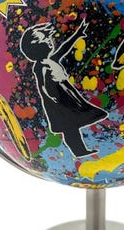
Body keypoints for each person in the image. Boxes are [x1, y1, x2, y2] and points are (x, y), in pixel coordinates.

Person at [20, 19, 108, 157]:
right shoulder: (40, 66)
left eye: (49, 38)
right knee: (69, 127)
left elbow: (64, 48)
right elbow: (42, 85)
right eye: (45, 40)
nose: (50, 41)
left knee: (73, 124)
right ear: (35, 47)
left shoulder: (51, 59)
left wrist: (77, 34)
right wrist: (52, 99)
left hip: (65, 93)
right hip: (57, 99)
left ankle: (81, 150)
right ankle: (79, 151)